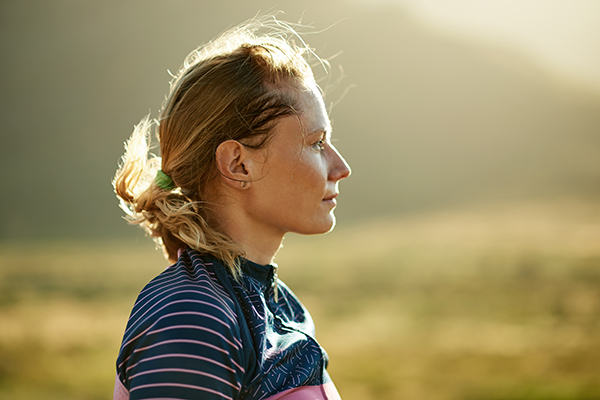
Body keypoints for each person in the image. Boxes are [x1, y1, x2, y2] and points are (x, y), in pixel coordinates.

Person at [112, 16, 351, 400]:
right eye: (316, 143)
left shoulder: (279, 305)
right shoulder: (191, 315)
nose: (341, 168)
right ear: (238, 164)